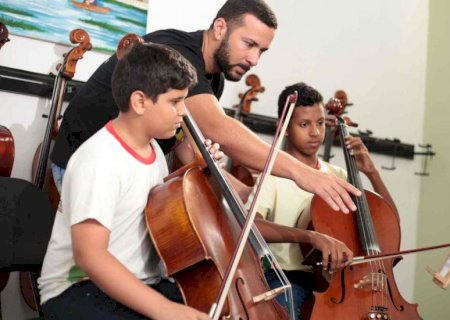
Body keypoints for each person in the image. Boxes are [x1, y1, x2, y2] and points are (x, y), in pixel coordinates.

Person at [50, 0, 360, 214]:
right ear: (221, 27)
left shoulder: (215, 79)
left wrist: (241, 192)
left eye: (262, 51)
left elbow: (186, 148)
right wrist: (299, 172)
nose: (254, 60)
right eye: (249, 44)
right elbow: (216, 127)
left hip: (135, 175)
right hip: (86, 167)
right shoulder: (178, 52)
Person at [38, 43, 215, 320]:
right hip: (78, 287)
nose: (183, 112)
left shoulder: (153, 149)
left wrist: (201, 171)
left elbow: (162, 208)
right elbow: (90, 256)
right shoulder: (100, 159)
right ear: (140, 101)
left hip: (135, 282)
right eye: (175, 101)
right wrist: (164, 309)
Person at [246, 82, 399, 319]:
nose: (315, 133)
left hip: (340, 280)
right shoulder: (273, 173)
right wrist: (311, 236)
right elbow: (249, 226)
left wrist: (372, 173)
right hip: (287, 276)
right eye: (304, 124)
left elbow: (388, 226)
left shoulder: (339, 176)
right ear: (284, 127)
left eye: (319, 123)